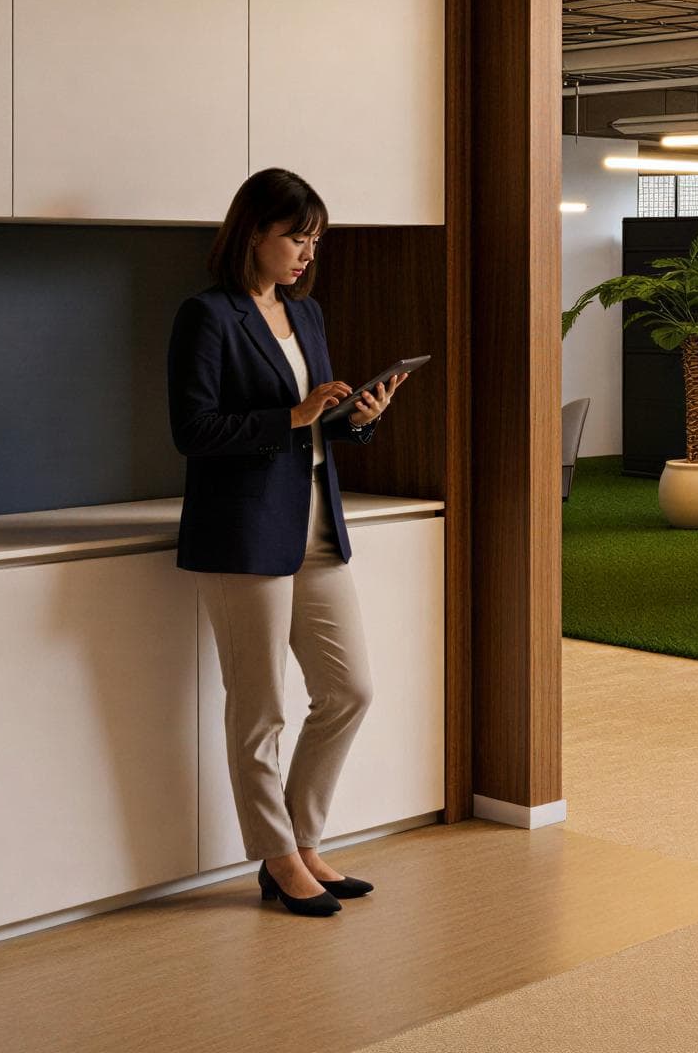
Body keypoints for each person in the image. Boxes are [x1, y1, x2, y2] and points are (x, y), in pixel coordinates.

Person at [167, 168, 407, 917]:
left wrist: (357, 417)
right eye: (296, 238)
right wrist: (292, 417)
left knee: (349, 690)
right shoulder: (207, 316)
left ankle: (303, 841)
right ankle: (277, 858)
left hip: (315, 524)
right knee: (261, 708)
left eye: (315, 241)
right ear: (254, 235)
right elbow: (192, 430)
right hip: (243, 532)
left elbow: (317, 422)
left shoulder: (307, 314)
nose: (307, 254)